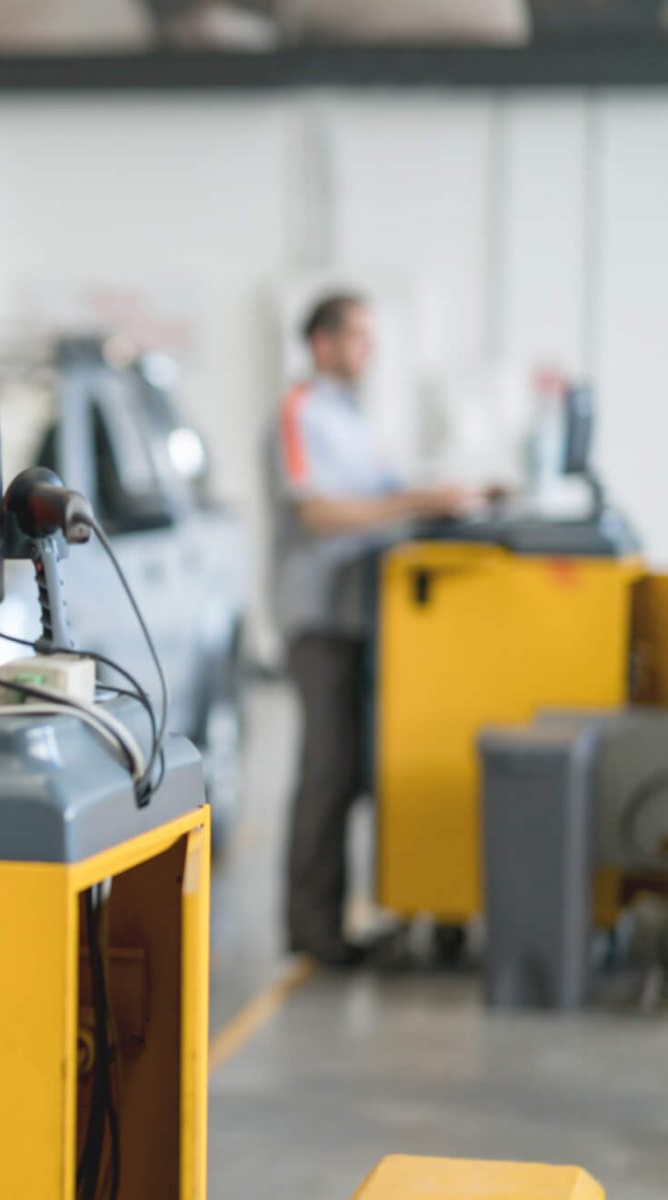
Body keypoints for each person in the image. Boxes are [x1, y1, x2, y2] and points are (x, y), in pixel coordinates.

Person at [269, 291, 483, 968]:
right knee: (328, 772)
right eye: (358, 337)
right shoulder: (301, 412)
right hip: (320, 617)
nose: (370, 350)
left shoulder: (354, 418)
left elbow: (388, 496)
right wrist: (416, 500)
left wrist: (445, 500)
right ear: (322, 343)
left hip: (366, 615)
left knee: (359, 767)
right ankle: (313, 930)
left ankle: (360, 910)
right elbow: (319, 513)